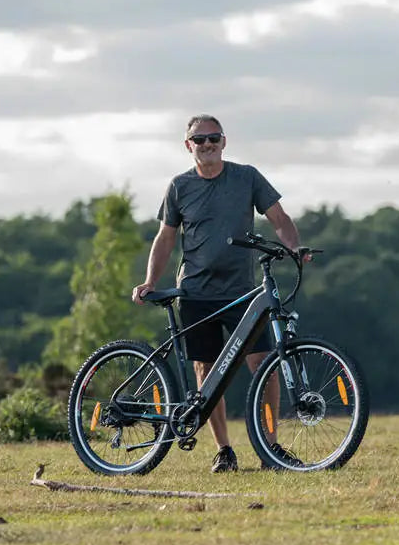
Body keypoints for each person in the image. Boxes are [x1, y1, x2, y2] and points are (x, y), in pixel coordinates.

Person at [131, 114, 306, 473]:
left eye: (214, 138)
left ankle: (269, 449)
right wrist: (151, 279)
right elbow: (165, 237)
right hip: (195, 292)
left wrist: (295, 248)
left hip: (242, 292)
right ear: (188, 146)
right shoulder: (179, 186)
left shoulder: (247, 177)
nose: (207, 145)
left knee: (265, 368)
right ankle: (224, 450)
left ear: (224, 142)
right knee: (206, 372)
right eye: (200, 140)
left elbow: (279, 218)